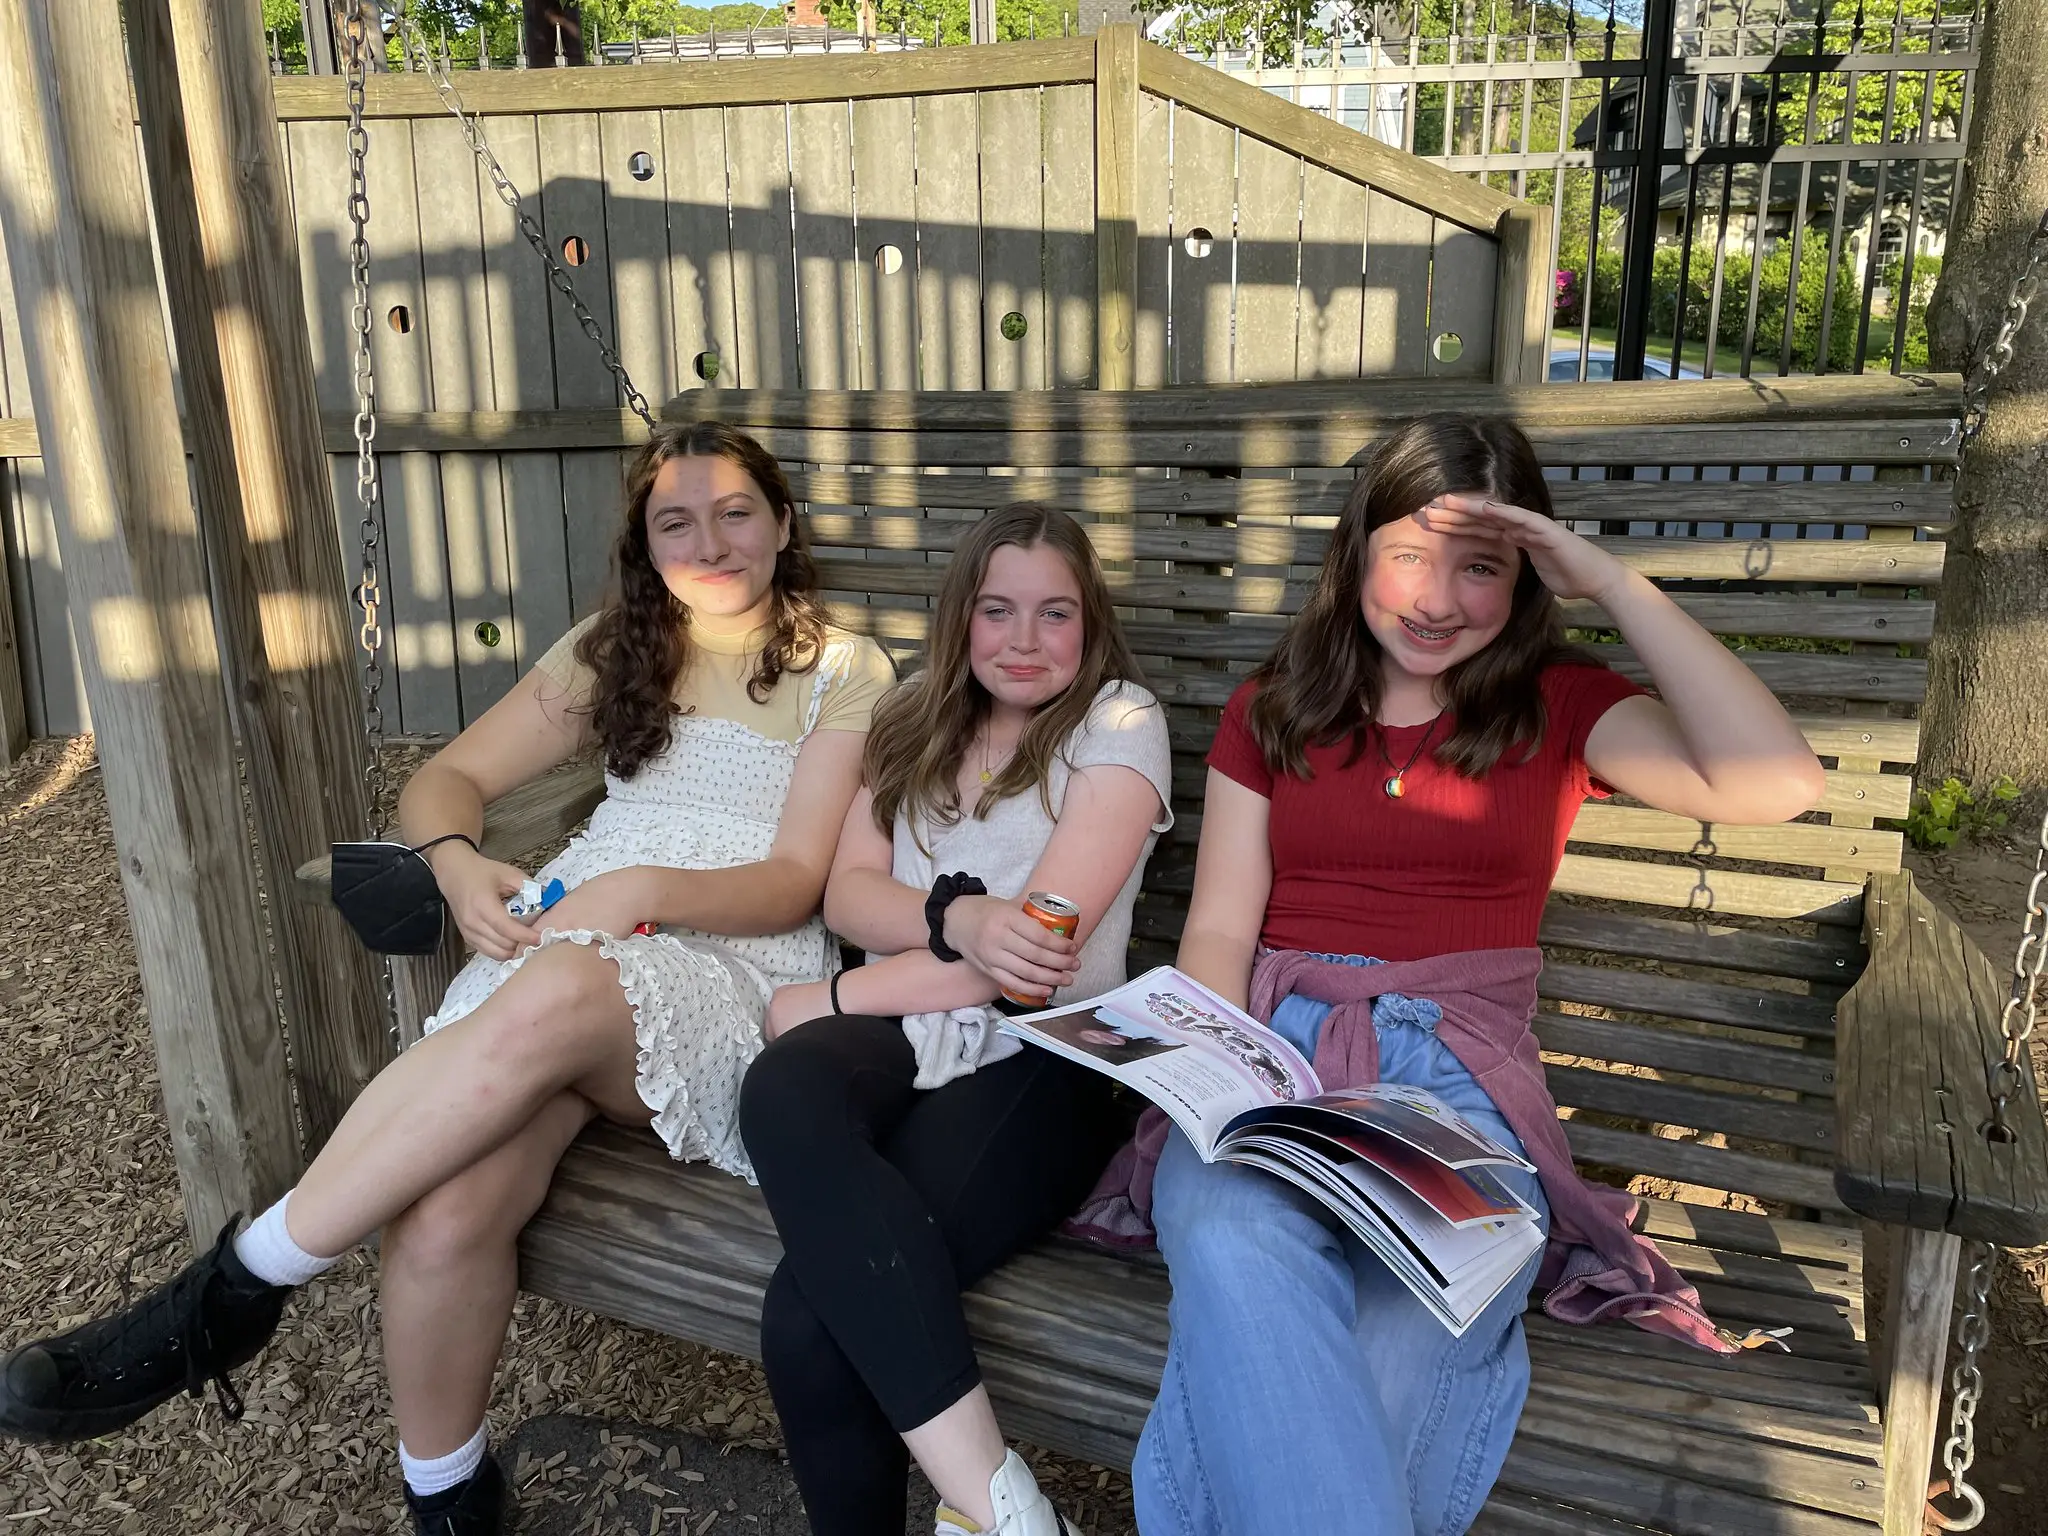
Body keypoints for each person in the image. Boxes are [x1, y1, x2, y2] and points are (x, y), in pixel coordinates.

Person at [0, 424, 896, 1536]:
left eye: (735, 513)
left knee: (566, 988)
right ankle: (450, 1499)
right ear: (645, 545)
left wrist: (639, 890)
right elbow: (448, 778)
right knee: (443, 1206)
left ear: (783, 523)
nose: (709, 542)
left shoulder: (841, 668)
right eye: (677, 522)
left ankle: (240, 1283)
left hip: (725, 959)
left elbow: (796, 879)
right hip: (566, 947)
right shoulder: (616, 649)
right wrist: (459, 864)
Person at [1117, 413, 1824, 1535]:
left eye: (1480, 567)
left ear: (1527, 576)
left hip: (1457, 1085)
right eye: (1407, 554)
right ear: (1354, 552)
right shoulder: (1276, 707)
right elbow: (1217, 929)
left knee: (1408, 1327)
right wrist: (1215, 1070)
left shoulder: (1558, 704)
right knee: (1230, 1235)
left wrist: (1612, 585)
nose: (1436, 599)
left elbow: (1779, 783)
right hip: (1279, 1059)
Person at [736, 503, 1172, 1536]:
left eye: (1054, 613)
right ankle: (1002, 1507)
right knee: (783, 1083)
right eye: (997, 610)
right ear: (960, 617)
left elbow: (1033, 964)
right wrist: (961, 916)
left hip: (1050, 1056)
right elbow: (851, 895)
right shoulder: (910, 723)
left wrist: (832, 997)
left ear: (1090, 623)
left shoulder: (1118, 723)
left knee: (806, 1323)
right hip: (909, 1030)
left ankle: (991, 1511)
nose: (1024, 640)